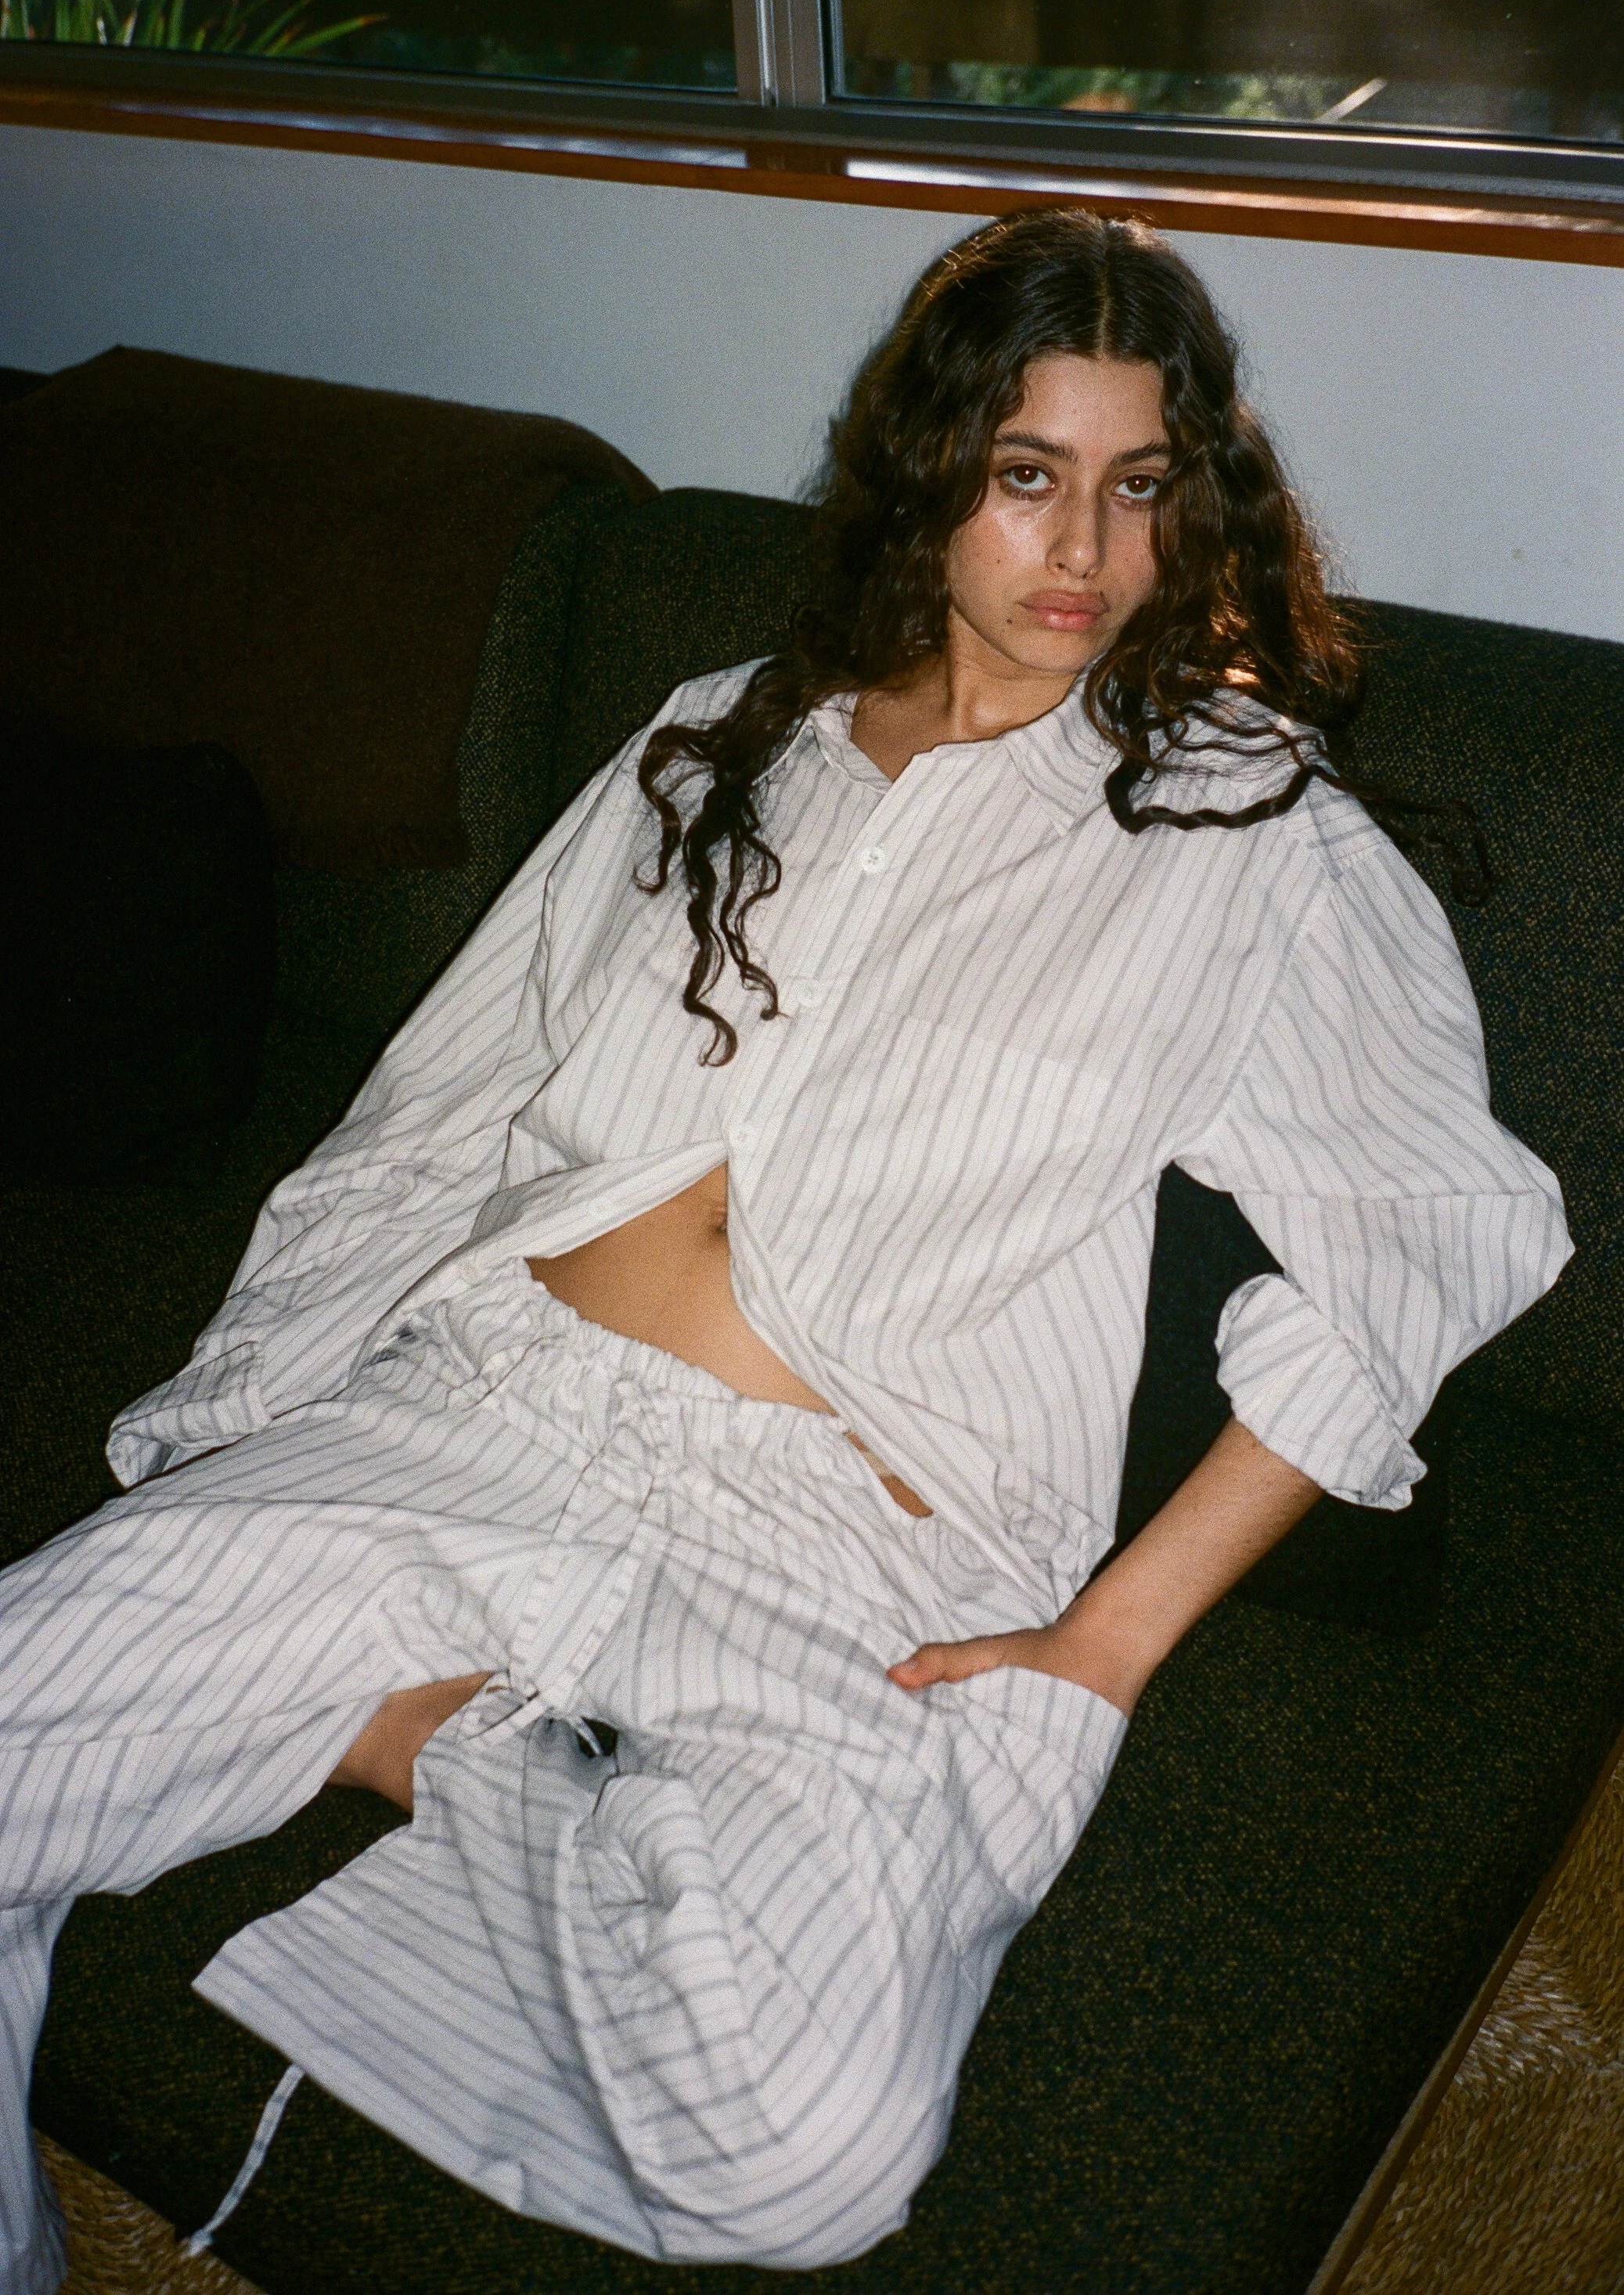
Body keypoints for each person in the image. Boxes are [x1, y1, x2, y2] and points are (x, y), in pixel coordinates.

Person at [0, 210, 1570, 2291]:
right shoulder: (725, 732)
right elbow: (441, 1109)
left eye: (1137, 485)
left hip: (850, 1533)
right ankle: (447, 1736)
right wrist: (252, 1409)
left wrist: (1103, 1646)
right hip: (483, 1408)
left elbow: (1423, 1243)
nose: (1085, 545)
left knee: (800, 2153)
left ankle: (441, 1740)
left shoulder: (1244, 832)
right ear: (933, 477)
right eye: (1029, 475)